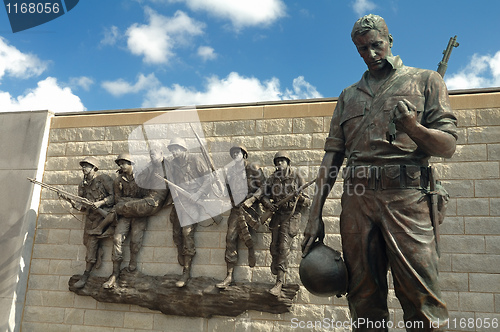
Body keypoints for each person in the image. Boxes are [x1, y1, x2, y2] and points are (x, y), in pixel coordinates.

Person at [301, 14, 457, 331]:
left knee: (421, 296)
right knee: (363, 298)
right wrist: (314, 212)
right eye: (362, 49)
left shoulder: (426, 81)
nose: (371, 54)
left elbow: (447, 145)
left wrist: (413, 128)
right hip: (357, 202)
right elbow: (332, 156)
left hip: (406, 198)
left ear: (390, 40)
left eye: (376, 45)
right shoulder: (348, 96)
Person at [103, 152, 168, 288]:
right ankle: (114, 273)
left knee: (136, 239)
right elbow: (118, 200)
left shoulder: (142, 178)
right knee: (117, 239)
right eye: (120, 164)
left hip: (139, 214)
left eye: (124, 163)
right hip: (125, 214)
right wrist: (132, 202)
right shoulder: (118, 180)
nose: (122, 166)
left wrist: (132, 203)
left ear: (131, 164)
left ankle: (132, 263)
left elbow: (147, 197)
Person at [216, 145, 265, 289]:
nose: (236, 155)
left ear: (244, 154)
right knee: (230, 238)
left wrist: (253, 199)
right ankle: (229, 275)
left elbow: (265, 186)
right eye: (234, 153)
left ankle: (251, 251)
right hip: (236, 209)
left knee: (249, 237)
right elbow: (227, 192)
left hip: (251, 208)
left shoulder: (253, 167)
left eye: (238, 152)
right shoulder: (230, 172)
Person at [166, 137, 211, 288]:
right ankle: (182, 252)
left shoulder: (195, 159)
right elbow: (172, 183)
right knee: (176, 234)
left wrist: (198, 194)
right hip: (179, 202)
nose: (174, 152)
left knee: (187, 232)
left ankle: (186, 270)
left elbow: (208, 178)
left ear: (183, 149)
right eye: (172, 150)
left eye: (176, 149)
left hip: (194, 201)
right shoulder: (172, 164)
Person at [262, 152, 308, 296]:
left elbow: (307, 201)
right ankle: (277, 268)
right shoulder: (272, 179)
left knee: (283, 247)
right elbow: (263, 195)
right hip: (277, 215)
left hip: (291, 215)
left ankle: (280, 281)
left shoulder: (297, 177)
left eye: (282, 161)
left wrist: (298, 197)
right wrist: (269, 205)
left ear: (288, 163)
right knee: (274, 247)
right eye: (277, 161)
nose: (279, 164)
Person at [72, 157, 114, 289]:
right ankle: (97, 253)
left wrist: (100, 203)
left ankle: (86, 275)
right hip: (91, 218)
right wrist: (74, 204)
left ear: (94, 168)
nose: (84, 168)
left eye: (87, 166)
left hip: (105, 217)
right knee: (87, 243)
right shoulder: (82, 185)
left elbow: (114, 197)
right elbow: (83, 206)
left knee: (92, 243)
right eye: (83, 166)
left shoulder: (103, 179)